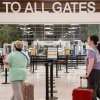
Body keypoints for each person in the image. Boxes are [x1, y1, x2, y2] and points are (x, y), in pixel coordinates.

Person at [83, 35, 100, 100]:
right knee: (97, 91)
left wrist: (87, 74)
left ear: (92, 41)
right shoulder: (97, 50)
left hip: (93, 73)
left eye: (88, 39)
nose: (87, 41)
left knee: (92, 92)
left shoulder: (91, 50)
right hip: (98, 72)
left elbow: (91, 64)